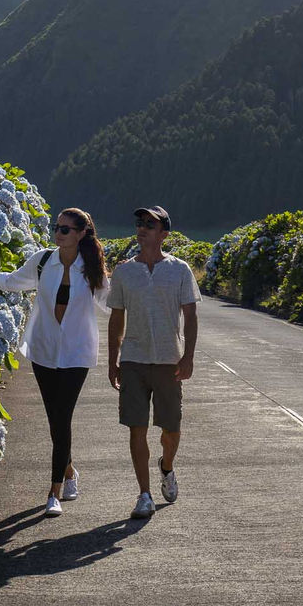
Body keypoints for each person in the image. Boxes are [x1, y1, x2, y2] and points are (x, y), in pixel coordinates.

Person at [0, 208, 108, 518]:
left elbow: (113, 303)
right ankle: (70, 471)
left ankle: (54, 492)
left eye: (65, 229)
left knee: (62, 417)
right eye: (57, 227)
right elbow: (9, 281)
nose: (58, 233)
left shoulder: (92, 269)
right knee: (55, 419)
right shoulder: (43, 261)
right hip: (44, 350)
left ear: (80, 234)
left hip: (76, 353)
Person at [106, 205, 199, 520]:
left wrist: (188, 356)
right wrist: (112, 360)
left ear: (164, 234)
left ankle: (167, 466)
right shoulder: (123, 272)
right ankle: (144, 495)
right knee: (137, 427)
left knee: (171, 428)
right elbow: (116, 318)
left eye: (150, 224)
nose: (142, 228)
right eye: (139, 223)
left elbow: (191, 315)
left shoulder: (180, 270)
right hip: (133, 359)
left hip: (168, 361)